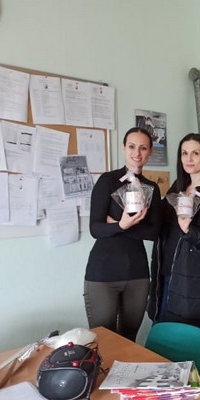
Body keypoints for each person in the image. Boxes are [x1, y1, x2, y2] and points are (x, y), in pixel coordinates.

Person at [83, 127, 162, 342]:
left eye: (143, 148)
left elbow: (154, 233)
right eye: (132, 146)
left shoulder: (151, 188)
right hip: (103, 275)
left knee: (129, 340)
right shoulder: (107, 181)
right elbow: (95, 229)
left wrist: (121, 225)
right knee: (104, 340)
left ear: (150, 152)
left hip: (137, 274)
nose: (137, 153)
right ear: (123, 148)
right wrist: (122, 225)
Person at [148, 133, 200, 335]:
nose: (189, 159)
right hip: (166, 272)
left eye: (195, 153)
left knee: (183, 338)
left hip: (192, 280)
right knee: (162, 334)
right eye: (184, 153)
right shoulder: (178, 187)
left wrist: (190, 231)